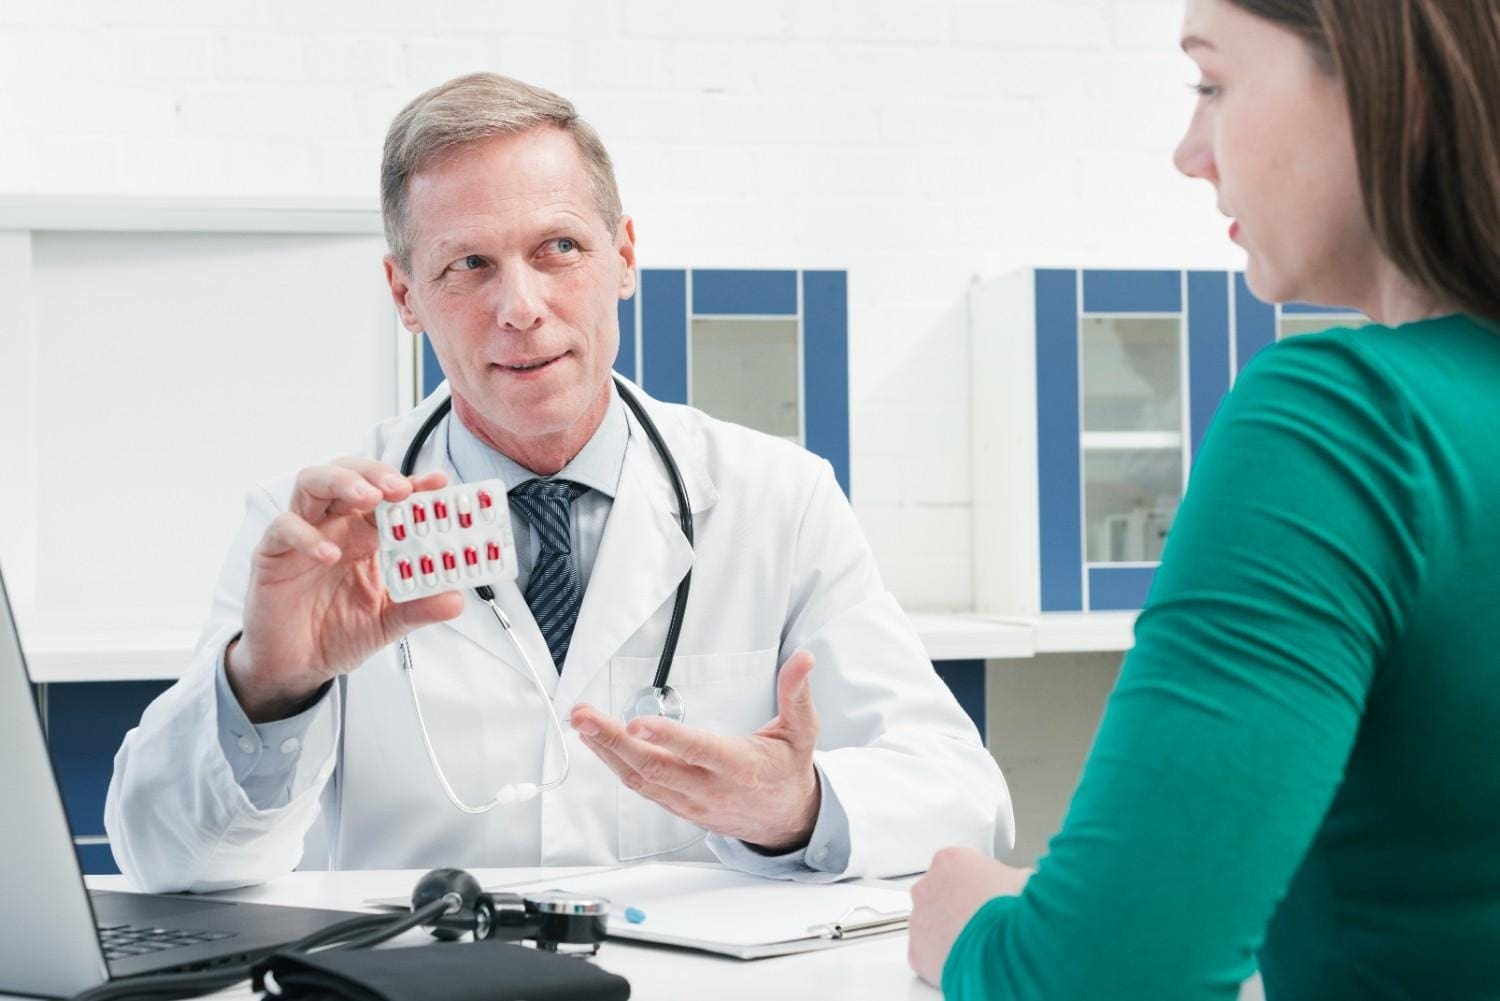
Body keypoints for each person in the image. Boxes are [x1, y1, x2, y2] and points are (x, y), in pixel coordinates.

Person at [104, 72, 1010, 893]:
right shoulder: (317, 535)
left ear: (623, 256)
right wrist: (268, 686)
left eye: (559, 247)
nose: (521, 307)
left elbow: (966, 797)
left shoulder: (780, 499)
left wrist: (797, 806)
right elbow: (161, 859)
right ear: (405, 294)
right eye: (469, 265)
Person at [908, 0, 1500, 997]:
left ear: (1388, 85)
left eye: (1213, 84)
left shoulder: (1350, 423)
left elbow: (1103, 979)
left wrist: (976, 925)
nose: (1192, 152)